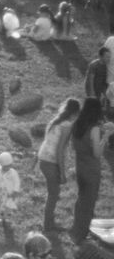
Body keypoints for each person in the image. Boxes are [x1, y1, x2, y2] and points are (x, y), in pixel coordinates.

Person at [70, 97, 114, 244]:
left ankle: (76, 228)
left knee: (81, 199)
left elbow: (76, 144)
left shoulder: (77, 124)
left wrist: (102, 128)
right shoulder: (94, 129)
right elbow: (97, 153)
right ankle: (82, 236)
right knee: (89, 203)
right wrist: (106, 136)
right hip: (91, 170)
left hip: (80, 166)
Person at [37, 98, 80, 231]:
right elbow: (60, 150)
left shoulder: (55, 121)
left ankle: (49, 222)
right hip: (51, 161)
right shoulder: (67, 126)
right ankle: (48, 226)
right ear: (75, 113)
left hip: (43, 159)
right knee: (54, 194)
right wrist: (62, 173)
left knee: (53, 192)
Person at [0, 152, 21, 233]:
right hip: (0, 192)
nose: (7, 168)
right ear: (1, 164)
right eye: (5, 166)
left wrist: (15, 191)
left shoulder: (13, 173)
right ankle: (1, 217)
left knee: (7, 206)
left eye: (9, 166)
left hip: (9, 193)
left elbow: (17, 182)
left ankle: (6, 218)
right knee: (0, 205)